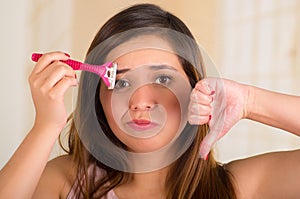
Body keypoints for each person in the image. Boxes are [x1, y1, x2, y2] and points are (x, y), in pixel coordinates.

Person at [0, 3, 300, 199]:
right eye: (120, 82)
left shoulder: (240, 187)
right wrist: (45, 126)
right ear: (99, 101)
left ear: (196, 89)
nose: (140, 101)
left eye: (163, 80)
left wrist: (250, 101)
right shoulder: (67, 181)